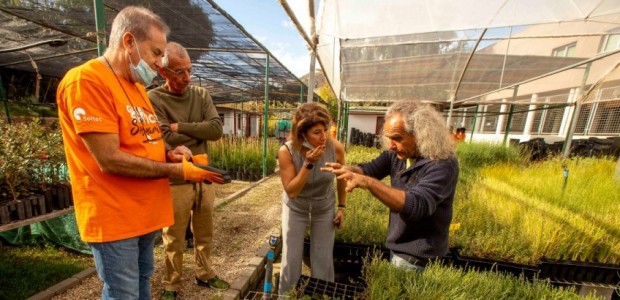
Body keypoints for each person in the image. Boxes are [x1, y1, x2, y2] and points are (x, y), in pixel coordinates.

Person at [56, 6, 217, 300]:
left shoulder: (137, 87)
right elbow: (109, 158)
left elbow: (148, 136)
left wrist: (170, 151)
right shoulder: (87, 81)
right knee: (123, 293)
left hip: (144, 212)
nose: (159, 63)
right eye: (156, 53)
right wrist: (177, 171)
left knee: (142, 283)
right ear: (129, 41)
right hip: (115, 216)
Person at [322, 100, 458, 271]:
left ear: (421, 134)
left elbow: (417, 205)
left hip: (418, 255)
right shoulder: (397, 155)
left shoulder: (442, 164)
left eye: (397, 138)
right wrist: (350, 170)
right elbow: (370, 169)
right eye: (389, 138)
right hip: (398, 246)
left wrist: (369, 183)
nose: (392, 145)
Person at [149, 42, 228, 299]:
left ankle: (204, 274)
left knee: (204, 231)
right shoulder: (153, 99)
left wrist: (178, 126)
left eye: (189, 71)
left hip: (203, 174)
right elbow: (159, 136)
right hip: (176, 178)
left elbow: (215, 129)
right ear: (164, 73)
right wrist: (192, 127)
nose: (186, 78)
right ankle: (171, 283)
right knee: (173, 236)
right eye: (179, 72)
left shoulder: (200, 94)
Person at [277, 102, 346, 294]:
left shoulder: (335, 148)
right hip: (296, 207)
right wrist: (308, 163)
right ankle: (287, 296)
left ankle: (322, 296)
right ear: (302, 133)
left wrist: (342, 207)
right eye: (317, 132)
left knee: (323, 258)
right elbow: (292, 191)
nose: (324, 136)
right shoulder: (287, 151)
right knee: (291, 258)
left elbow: (341, 178)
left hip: (324, 206)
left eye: (325, 130)